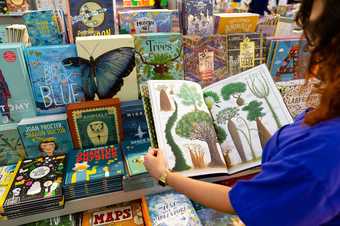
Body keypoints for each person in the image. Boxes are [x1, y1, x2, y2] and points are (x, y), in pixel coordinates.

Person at [144, 0, 340, 225]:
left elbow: (238, 202)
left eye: (316, 34)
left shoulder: (323, 153)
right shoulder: (329, 112)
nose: (311, 47)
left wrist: (165, 175)